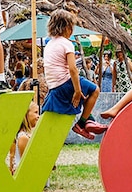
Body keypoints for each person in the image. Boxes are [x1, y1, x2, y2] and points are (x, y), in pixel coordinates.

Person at [41, 10, 108, 140]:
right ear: (66, 27)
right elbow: (72, 69)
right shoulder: (67, 43)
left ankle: (90, 120)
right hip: (65, 81)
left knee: (85, 94)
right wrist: (77, 91)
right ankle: (81, 123)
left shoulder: (49, 43)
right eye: (72, 27)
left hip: (54, 85)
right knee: (94, 90)